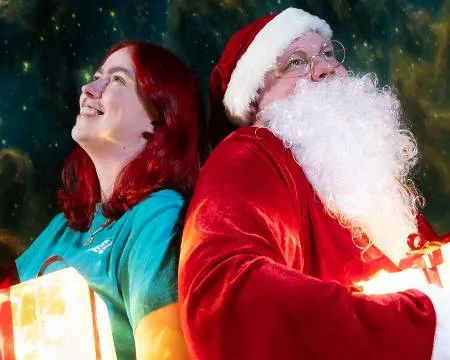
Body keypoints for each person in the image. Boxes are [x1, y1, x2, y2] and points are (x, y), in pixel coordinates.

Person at [178, 8, 450, 360]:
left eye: (327, 53)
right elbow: (224, 297)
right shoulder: (254, 152)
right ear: (256, 103)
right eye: (296, 62)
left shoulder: (364, 173)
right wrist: (420, 327)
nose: (324, 68)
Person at [16, 40, 203, 359]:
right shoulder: (64, 226)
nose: (89, 88)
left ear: (157, 118)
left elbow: (167, 351)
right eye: (97, 75)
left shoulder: (158, 215)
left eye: (117, 79)